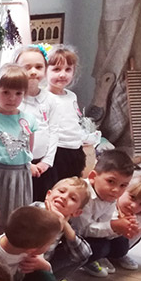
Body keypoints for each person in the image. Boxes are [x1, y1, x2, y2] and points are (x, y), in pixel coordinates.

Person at [0, 63, 36, 233]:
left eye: (18, 93)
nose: (12, 98)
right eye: (6, 92)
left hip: (21, 175)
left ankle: (14, 242)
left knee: (18, 215)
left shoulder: (29, 119)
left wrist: (28, 164)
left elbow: (29, 147)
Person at [71, 150, 137, 277]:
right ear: (92, 177)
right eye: (111, 181)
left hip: (90, 232)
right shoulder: (82, 193)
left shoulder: (108, 195)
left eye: (123, 185)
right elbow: (82, 230)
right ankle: (82, 262)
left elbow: (105, 221)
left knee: (122, 243)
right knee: (102, 247)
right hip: (69, 238)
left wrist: (123, 227)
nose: (116, 190)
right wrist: (114, 226)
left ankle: (101, 257)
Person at [46, 45, 100, 180]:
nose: (62, 74)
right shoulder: (44, 97)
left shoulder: (71, 96)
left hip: (75, 148)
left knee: (73, 182)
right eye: (56, 69)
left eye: (68, 69)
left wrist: (84, 137)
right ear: (45, 70)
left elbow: (75, 121)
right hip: (56, 150)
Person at [34, 177, 92, 281]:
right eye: (61, 191)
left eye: (73, 198)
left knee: (78, 252)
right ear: (48, 195)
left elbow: (84, 254)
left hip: (41, 267)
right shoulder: (33, 210)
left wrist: (63, 223)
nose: (64, 197)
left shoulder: (67, 223)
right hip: (21, 264)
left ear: (77, 212)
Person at [14, 45, 59, 201]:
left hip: (43, 166)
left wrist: (47, 161)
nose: (33, 71)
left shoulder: (50, 99)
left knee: (41, 203)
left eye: (39, 67)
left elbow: (54, 131)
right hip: (19, 165)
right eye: (27, 67)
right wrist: (27, 163)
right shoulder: (13, 100)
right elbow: (11, 136)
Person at [109, 173, 141, 270]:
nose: (134, 206)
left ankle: (119, 255)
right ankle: (100, 258)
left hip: (121, 245)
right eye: (132, 197)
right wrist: (119, 223)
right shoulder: (109, 205)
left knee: (137, 229)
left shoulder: (138, 214)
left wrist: (135, 220)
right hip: (101, 243)